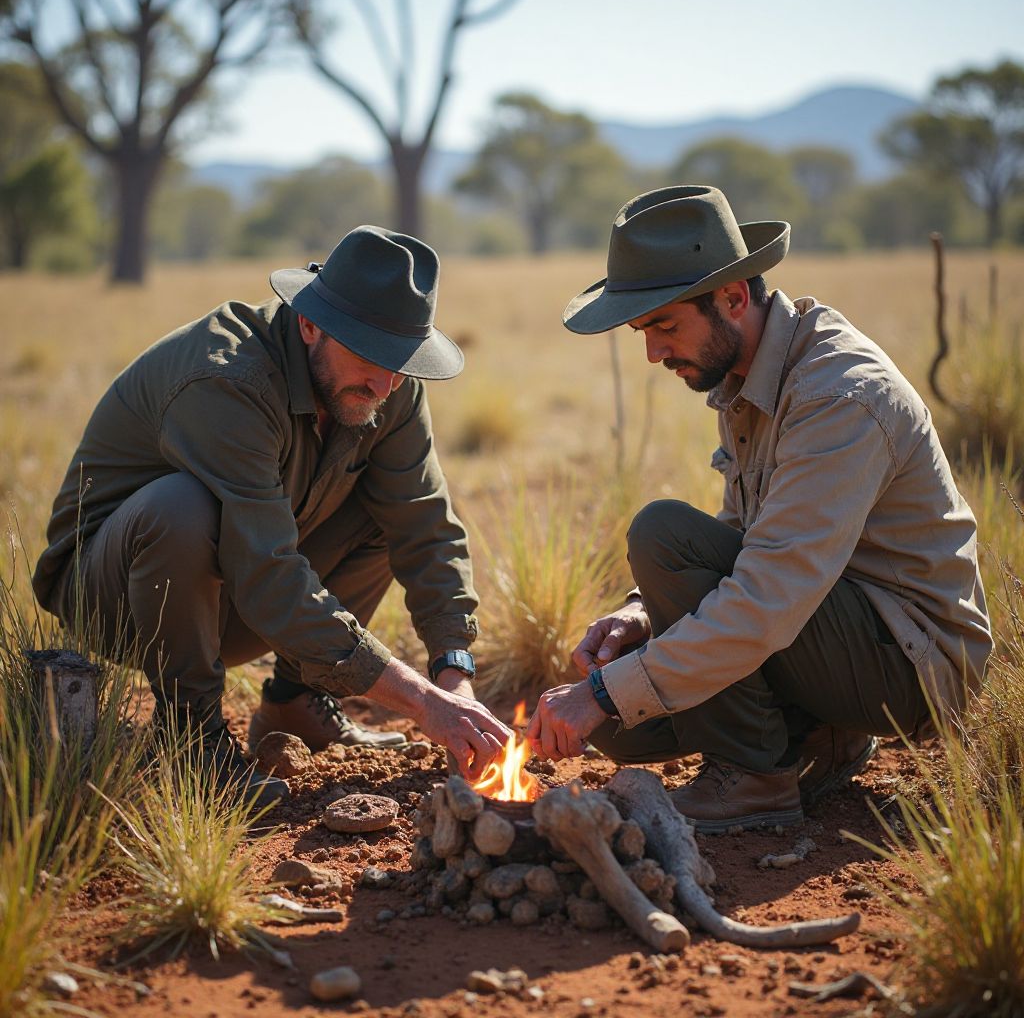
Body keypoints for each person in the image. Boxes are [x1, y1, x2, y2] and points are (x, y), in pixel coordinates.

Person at [526, 186, 992, 832]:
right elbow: (749, 537)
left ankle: (757, 782)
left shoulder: (839, 396)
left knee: (661, 537)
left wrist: (604, 692)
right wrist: (641, 613)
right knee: (624, 735)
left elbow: (769, 594)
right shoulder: (748, 373)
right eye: (644, 330)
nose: (653, 353)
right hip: (832, 625)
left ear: (734, 299)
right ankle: (820, 737)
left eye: (665, 324)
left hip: (909, 667)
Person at [33, 225, 510, 806]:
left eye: (402, 362)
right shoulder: (227, 380)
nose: (386, 383)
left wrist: (453, 672)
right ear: (310, 324)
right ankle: (191, 737)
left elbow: (426, 524)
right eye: (371, 357)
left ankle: (294, 700)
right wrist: (422, 703)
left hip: (233, 592)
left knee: (387, 511)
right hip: (115, 598)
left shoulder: (388, 383)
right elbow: (268, 574)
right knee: (179, 506)